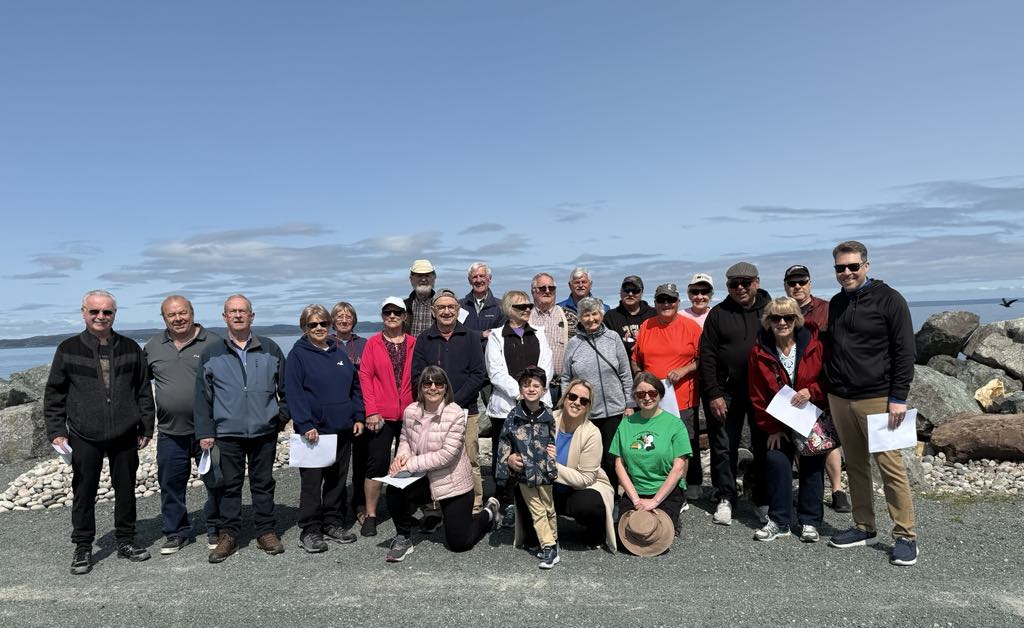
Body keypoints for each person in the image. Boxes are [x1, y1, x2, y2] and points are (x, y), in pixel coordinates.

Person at [45, 290, 155, 575]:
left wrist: (146, 425)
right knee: (84, 491)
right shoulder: (68, 349)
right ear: (83, 313)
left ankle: (126, 540)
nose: (101, 317)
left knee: (126, 490)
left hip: (125, 433)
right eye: (94, 311)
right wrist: (57, 430)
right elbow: (55, 394)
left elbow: (143, 390)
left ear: (114, 315)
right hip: (84, 433)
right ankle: (82, 546)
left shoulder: (131, 347)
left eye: (107, 312)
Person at [824, 241, 918, 566]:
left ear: (866, 265)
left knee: (891, 466)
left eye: (852, 266)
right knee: (857, 464)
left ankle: (906, 535)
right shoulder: (836, 303)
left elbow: (906, 351)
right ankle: (864, 526)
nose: (846, 272)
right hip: (840, 397)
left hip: (879, 397)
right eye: (840, 268)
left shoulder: (890, 300)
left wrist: (898, 398)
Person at [195, 294, 290, 563]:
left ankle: (266, 531)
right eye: (232, 311)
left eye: (242, 311)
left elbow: (286, 389)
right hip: (227, 432)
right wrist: (205, 431)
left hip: (264, 432)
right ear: (224, 317)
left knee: (263, 484)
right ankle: (229, 534)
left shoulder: (270, 348)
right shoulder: (212, 352)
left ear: (252, 316)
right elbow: (202, 395)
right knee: (229, 486)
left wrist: (279, 416)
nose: (237, 315)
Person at [383, 366, 501, 562]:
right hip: (422, 477)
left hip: (452, 481)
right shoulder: (411, 411)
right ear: (420, 387)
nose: (433, 388)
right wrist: (401, 457)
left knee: (460, 544)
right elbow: (405, 439)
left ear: (446, 388)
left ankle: (488, 514)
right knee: (394, 489)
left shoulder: (455, 413)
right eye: (427, 383)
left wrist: (410, 463)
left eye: (438, 383)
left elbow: (446, 455)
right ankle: (403, 537)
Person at [143, 295, 223, 555]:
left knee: (216, 482)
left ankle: (217, 528)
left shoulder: (213, 342)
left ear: (192, 312)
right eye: (171, 315)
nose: (178, 318)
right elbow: (140, 387)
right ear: (164, 318)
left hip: (209, 431)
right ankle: (176, 532)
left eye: (183, 313)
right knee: (171, 484)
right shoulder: (154, 346)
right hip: (169, 431)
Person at [747, 297, 828, 543]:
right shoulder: (759, 350)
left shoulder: (816, 344)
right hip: (777, 422)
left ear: (797, 319)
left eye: (788, 317)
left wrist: (811, 391)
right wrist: (771, 429)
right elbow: (756, 393)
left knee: (812, 467)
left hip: (810, 416)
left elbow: (829, 378)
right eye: (776, 318)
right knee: (777, 462)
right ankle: (780, 520)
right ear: (768, 321)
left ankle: (810, 521)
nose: (782, 322)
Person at [285, 304, 365, 553]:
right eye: (313, 324)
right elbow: (294, 392)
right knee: (312, 483)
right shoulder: (298, 355)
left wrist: (358, 416)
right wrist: (306, 423)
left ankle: (333, 522)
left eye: (323, 323)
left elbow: (354, 387)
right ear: (304, 327)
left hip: (342, 428)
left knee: (337, 480)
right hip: (314, 432)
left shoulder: (339, 353)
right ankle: (310, 529)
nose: (319, 328)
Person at [698, 262, 771, 526]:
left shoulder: (770, 310)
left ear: (757, 282)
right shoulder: (718, 314)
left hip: (763, 392)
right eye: (733, 283)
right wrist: (714, 393)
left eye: (745, 282)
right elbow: (706, 355)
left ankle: (762, 498)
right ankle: (726, 497)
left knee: (763, 446)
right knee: (723, 446)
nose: (739, 287)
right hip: (726, 391)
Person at [510, 378, 617, 552]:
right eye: (572, 397)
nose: (576, 403)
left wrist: (551, 465)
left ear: (588, 406)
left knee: (589, 503)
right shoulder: (546, 419)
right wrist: (512, 459)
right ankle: (535, 535)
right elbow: (524, 447)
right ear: (564, 398)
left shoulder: (592, 433)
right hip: (547, 486)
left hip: (579, 488)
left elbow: (586, 479)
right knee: (521, 486)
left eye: (583, 400)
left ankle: (595, 534)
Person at [783, 265, 850, 514]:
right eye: (792, 283)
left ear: (810, 283)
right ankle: (806, 491)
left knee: (826, 438)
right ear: (785, 285)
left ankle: (837, 489)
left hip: (821, 385)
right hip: (790, 389)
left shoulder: (826, 309)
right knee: (799, 440)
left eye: (801, 282)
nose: (797, 286)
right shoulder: (782, 311)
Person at [411, 289, 487, 511]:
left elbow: (478, 375)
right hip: (431, 412)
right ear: (433, 312)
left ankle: (474, 503)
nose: (446, 311)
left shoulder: (471, 337)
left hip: (466, 411)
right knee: (431, 458)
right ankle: (434, 507)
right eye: (441, 307)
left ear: (458, 310)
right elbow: (417, 376)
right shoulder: (424, 339)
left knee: (470, 459)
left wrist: (451, 402)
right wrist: (436, 403)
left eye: (451, 307)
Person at [632, 284, 703, 506]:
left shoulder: (691, 327)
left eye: (670, 300)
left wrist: (684, 370)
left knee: (680, 447)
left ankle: (678, 493)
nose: (666, 304)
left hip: (682, 398)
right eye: (661, 300)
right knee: (654, 444)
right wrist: (640, 374)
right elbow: (635, 358)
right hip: (651, 400)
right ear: (654, 303)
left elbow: (703, 359)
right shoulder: (646, 326)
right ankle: (655, 489)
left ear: (678, 302)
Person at [485, 290, 553, 524]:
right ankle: (505, 501)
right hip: (506, 408)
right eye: (520, 307)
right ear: (508, 309)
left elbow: (546, 366)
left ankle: (531, 504)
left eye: (528, 306)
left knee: (534, 454)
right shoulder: (496, 336)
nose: (526, 310)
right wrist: (520, 394)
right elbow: (496, 371)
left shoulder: (539, 334)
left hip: (538, 407)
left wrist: (534, 392)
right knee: (505, 455)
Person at [610, 372, 691, 555]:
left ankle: (673, 516)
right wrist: (636, 499)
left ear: (660, 394)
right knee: (629, 534)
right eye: (640, 394)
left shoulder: (675, 425)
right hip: (636, 490)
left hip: (665, 490)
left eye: (652, 393)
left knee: (656, 532)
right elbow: (619, 465)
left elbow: (678, 468)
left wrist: (655, 501)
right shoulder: (626, 424)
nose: (647, 397)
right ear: (635, 398)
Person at [560, 296, 633, 495]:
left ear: (601, 315)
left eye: (594, 314)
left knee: (612, 457)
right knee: (589, 457)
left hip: (613, 410)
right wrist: (566, 407)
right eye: (586, 315)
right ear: (580, 318)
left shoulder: (613, 338)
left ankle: (612, 498)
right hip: (585, 412)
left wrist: (629, 403)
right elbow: (566, 377)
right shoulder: (574, 343)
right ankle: (591, 494)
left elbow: (626, 373)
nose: (591, 318)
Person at [358, 297, 417, 537]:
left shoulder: (414, 343)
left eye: (397, 312)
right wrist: (371, 410)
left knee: (407, 464)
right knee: (377, 463)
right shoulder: (373, 343)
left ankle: (404, 511)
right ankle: (371, 514)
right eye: (387, 312)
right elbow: (365, 376)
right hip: (381, 415)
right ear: (382, 316)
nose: (392, 316)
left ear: (404, 316)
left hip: (409, 413)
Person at [495, 366, 560, 569]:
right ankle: (548, 546)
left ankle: (554, 542)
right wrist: (505, 469)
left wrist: (553, 456)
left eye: (536, 385)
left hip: (546, 471)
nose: (531, 389)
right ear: (520, 389)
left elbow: (554, 439)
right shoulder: (513, 416)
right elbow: (504, 443)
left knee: (549, 508)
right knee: (538, 510)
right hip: (525, 473)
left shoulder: (549, 415)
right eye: (526, 385)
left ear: (543, 389)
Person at [331, 301, 371, 522]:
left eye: (348, 316)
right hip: (336, 412)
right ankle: (336, 508)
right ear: (332, 321)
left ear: (354, 320)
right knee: (337, 464)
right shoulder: (326, 343)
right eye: (339, 316)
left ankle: (360, 504)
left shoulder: (365, 344)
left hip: (361, 409)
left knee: (362, 463)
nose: (344, 320)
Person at [529, 272, 569, 404]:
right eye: (542, 288)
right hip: (533, 387)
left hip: (563, 386)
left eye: (551, 288)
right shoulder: (525, 316)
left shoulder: (569, 316)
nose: (547, 291)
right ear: (533, 291)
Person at [603, 275, 656, 359]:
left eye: (635, 291)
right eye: (627, 290)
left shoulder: (654, 314)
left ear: (642, 293)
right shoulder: (610, 317)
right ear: (620, 292)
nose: (630, 294)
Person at [556, 267, 608, 338]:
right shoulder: (559, 309)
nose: (580, 285)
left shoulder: (604, 309)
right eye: (577, 282)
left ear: (590, 284)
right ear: (570, 285)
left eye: (584, 282)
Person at [460, 262, 506, 336]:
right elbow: (457, 332)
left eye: (482, 276)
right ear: (469, 281)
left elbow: (501, 334)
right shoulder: (460, 306)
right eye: (475, 277)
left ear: (489, 279)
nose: (478, 280)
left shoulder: (501, 306)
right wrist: (481, 334)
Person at [404, 259, 437, 336]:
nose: (423, 279)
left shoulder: (442, 306)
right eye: (419, 276)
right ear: (411, 279)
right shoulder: (403, 306)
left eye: (427, 276)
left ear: (434, 278)